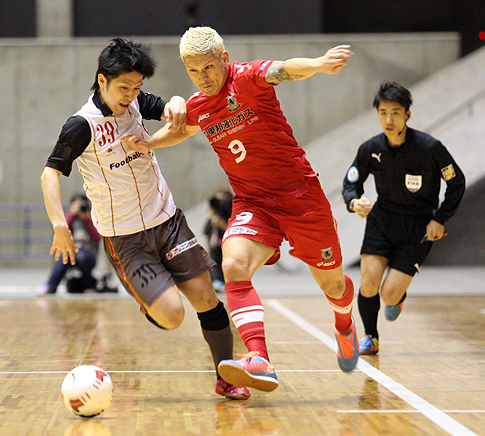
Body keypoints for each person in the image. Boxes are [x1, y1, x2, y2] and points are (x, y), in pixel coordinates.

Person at [121, 26, 358, 392]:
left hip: (301, 200)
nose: (203, 77)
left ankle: (344, 323)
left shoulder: (247, 78)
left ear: (225, 59)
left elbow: (284, 69)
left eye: (208, 67)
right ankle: (259, 357)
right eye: (193, 71)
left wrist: (318, 64)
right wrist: (148, 143)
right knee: (232, 264)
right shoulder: (199, 104)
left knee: (333, 284)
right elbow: (182, 130)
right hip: (253, 203)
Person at [40, 38, 250, 400]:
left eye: (137, 87)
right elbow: (49, 174)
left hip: (167, 222)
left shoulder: (136, 102)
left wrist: (178, 102)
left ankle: (227, 376)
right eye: (124, 87)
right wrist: (60, 225)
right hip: (126, 239)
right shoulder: (82, 125)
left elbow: (172, 107)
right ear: (102, 80)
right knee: (172, 315)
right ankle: (151, 296)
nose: (131, 95)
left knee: (206, 298)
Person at [342, 81, 465, 355]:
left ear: (407, 115)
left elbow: (456, 182)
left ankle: (397, 298)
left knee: (389, 294)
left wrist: (441, 218)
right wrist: (354, 201)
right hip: (381, 222)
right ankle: (371, 336)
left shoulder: (430, 148)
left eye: (395, 113)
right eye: (383, 112)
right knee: (369, 282)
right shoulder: (370, 148)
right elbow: (351, 182)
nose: (389, 119)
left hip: (418, 228)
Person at [38, 194, 104, 295]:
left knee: (82, 257)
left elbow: (97, 238)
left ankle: (89, 286)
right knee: (65, 256)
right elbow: (61, 231)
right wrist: (71, 214)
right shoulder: (69, 218)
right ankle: (51, 286)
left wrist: (87, 219)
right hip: (71, 252)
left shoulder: (92, 219)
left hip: (88, 254)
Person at [203, 189, 233, 292]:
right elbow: (205, 231)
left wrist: (223, 225)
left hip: (228, 246)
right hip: (215, 246)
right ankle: (216, 282)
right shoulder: (214, 215)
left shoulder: (232, 214)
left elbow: (233, 231)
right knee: (213, 262)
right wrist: (210, 217)